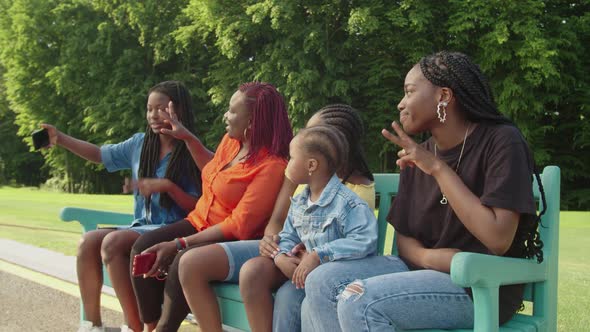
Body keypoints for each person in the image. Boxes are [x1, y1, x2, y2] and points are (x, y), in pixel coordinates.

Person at [301, 51, 546, 331]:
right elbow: (405, 241)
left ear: (443, 96)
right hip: (418, 272)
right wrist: (432, 258)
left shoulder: (501, 141)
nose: (401, 103)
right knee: (320, 283)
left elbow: (498, 238)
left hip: (479, 285)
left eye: (409, 92)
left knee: (359, 301)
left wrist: (439, 169)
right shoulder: (419, 154)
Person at [162, 104, 374, 332]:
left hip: (318, 266)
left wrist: (310, 253)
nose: (299, 135)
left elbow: (355, 240)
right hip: (287, 254)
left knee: (264, 279)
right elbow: (280, 223)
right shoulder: (303, 186)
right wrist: (276, 250)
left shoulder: (351, 196)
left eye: (311, 133)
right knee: (192, 262)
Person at [129, 82, 293, 332]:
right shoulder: (231, 142)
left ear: (252, 120)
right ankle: (147, 326)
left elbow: (239, 226)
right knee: (143, 247)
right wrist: (186, 137)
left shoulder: (272, 166)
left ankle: (164, 328)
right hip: (199, 221)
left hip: (228, 236)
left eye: (232, 111)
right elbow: (212, 170)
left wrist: (180, 243)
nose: (226, 116)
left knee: (181, 259)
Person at [41, 80, 202, 332]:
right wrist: (60, 138)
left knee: (112, 243)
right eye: (149, 109)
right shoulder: (140, 144)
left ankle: (133, 327)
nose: (153, 115)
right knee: (88, 242)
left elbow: (199, 207)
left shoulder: (193, 150)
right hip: (140, 227)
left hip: (173, 230)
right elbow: (98, 155)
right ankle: (92, 325)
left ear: (178, 110)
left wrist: (168, 187)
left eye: (161, 108)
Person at [245, 125, 378, 332]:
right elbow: (288, 235)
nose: (287, 164)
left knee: (301, 302)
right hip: (304, 276)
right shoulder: (299, 202)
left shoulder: (348, 204)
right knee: (286, 296)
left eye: (291, 158)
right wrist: (281, 257)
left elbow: (365, 239)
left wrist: (318, 254)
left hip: (338, 279)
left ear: (311, 165)